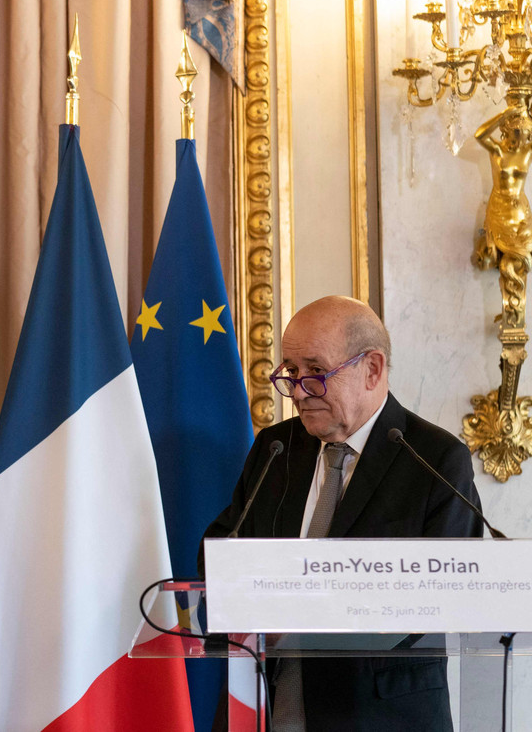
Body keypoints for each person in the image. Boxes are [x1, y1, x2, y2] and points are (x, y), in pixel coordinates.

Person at [202, 295, 482, 731]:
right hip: (265, 709)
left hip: (376, 717)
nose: (297, 390)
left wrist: (298, 610)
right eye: (291, 372)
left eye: (316, 371)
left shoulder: (435, 459)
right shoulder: (276, 448)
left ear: (372, 369)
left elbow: (440, 597)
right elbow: (219, 551)